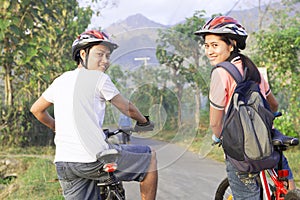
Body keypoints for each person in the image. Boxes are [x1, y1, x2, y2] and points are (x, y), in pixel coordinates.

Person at [30, 30, 158, 200]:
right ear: (83, 54)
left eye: (107, 56)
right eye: (100, 54)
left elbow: (37, 109)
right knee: (149, 158)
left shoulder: (60, 80)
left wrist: (56, 127)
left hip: (65, 163)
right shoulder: (98, 78)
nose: (105, 61)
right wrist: (143, 122)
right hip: (93, 159)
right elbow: (128, 109)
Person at [194, 16, 296, 199]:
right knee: (284, 181)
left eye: (215, 45)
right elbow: (273, 104)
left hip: (241, 151)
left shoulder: (220, 73)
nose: (209, 51)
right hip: (268, 142)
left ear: (231, 44)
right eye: (207, 45)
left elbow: (215, 122)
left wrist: (218, 137)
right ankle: (290, 191)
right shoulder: (251, 68)